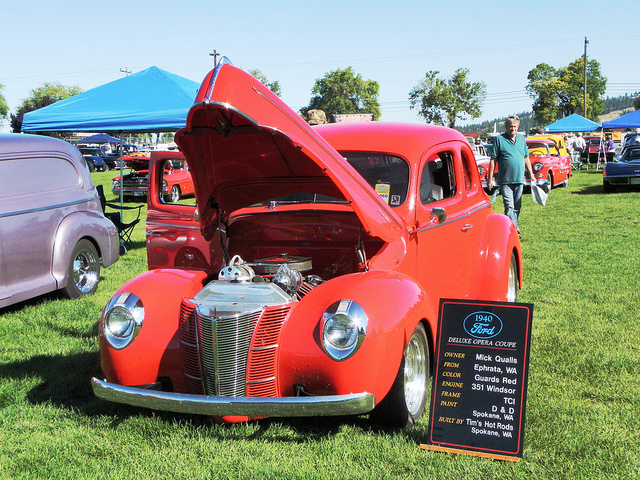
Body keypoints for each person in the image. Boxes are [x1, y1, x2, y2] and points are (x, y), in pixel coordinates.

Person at [487, 116, 535, 234]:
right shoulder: (499, 139)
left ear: (518, 127)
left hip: (519, 179)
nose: (512, 129)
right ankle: (514, 229)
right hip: (505, 181)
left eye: (515, 127)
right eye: (510, 126)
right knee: (509, 206)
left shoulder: (521, 139)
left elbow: (526, 157)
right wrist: (490, 178)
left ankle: (511, 227)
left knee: (517, 206)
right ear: (506, 127)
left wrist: (531, 174)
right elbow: (493, 160)